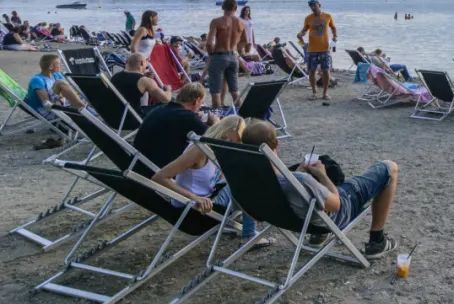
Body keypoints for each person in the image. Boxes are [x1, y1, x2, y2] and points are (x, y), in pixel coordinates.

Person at [241, 120, 399, 257]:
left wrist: (299, 173)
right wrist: (322, 175)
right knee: (389, 167)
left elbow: (258, 214)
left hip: (295, 220)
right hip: (333, 216)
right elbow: (337, 205)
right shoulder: (301, 180)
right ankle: (377, 241)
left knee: (327, 173)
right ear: (276, 144)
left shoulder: (250, 181)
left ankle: (318, 237)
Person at [151, 115, 268, 247]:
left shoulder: (216, 147)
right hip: (193, 210)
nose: (232, 144)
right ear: (223, 133)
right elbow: (159, 177)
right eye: (231, 140)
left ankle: (247, 219)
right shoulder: (199, 150)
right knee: (248, 183)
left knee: (244, 178)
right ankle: (250, 235)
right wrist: (194, 197)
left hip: (207, 200)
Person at [134, 83, 219, 168]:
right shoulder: (186, 117)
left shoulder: (161, 108)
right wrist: (215, 122)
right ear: (196, 101)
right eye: (201, 103)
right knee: (203, 153)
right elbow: (213, 138)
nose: (200, 107)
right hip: (155, 168)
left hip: (138, 162)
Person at [24, 53, 91, 149]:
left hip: (61, 103)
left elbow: (68, 92)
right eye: (58, 63)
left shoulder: (56, 74)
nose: (61, 65)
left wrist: (63, 99)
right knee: (61, 83)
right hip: (47, 109)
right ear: (50, 67)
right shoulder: (37, 80)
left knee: (65, 84)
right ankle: (83, 108)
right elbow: (46, 103)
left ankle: (83, 108)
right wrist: (61, 101)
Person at [206, 0, 244, 108]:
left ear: (222, 7)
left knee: (215, 91)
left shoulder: (216, 21)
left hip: (219, 56)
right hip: (233, 56)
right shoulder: (241, 23)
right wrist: (240, 52)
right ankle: (242, 114)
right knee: (235, 90)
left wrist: (211, 54)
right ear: (235, 8)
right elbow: (245, 43)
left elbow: (209, 43)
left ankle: (217, 115)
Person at [297, 0, 337, 101]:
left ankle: (325, 93)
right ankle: (314, 93)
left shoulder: (328, 16)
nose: (313, 7)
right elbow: (304, 30)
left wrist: (335, 37)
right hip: (312, 49)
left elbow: (333, 27)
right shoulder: (308, 18)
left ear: (319, 5)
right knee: (311, 71)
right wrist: (300, 34)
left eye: (314, 5)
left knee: (326, 70)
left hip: (325, 48)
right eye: (311, 6)